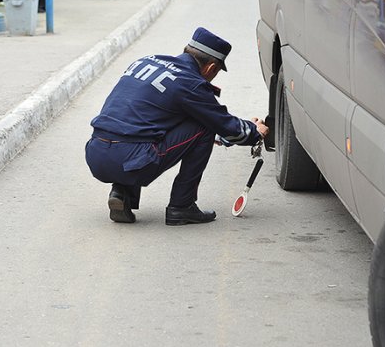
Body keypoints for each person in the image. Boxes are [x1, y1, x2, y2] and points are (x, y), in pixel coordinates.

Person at [85, 27, 269, 225]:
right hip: (132, 162)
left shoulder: (144, 61)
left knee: (137, 126)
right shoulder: (191, 83)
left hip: (95, 153)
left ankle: (122, 193)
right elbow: (225, 125)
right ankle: (182, 206)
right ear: (212, 68)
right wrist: (254, 131)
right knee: (204, 125)